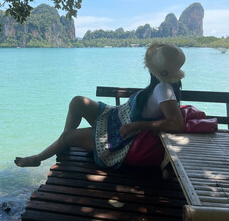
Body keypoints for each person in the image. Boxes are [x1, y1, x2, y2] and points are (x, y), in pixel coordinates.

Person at [15, 43, 185, 169]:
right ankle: (64, 145)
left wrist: (137, 125)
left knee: (68, 136)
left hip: (120, 135)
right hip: (116, 117)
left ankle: (38, 158)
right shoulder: (160, 86)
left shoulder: (163, 89)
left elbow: (176, 123)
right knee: (77, 102)